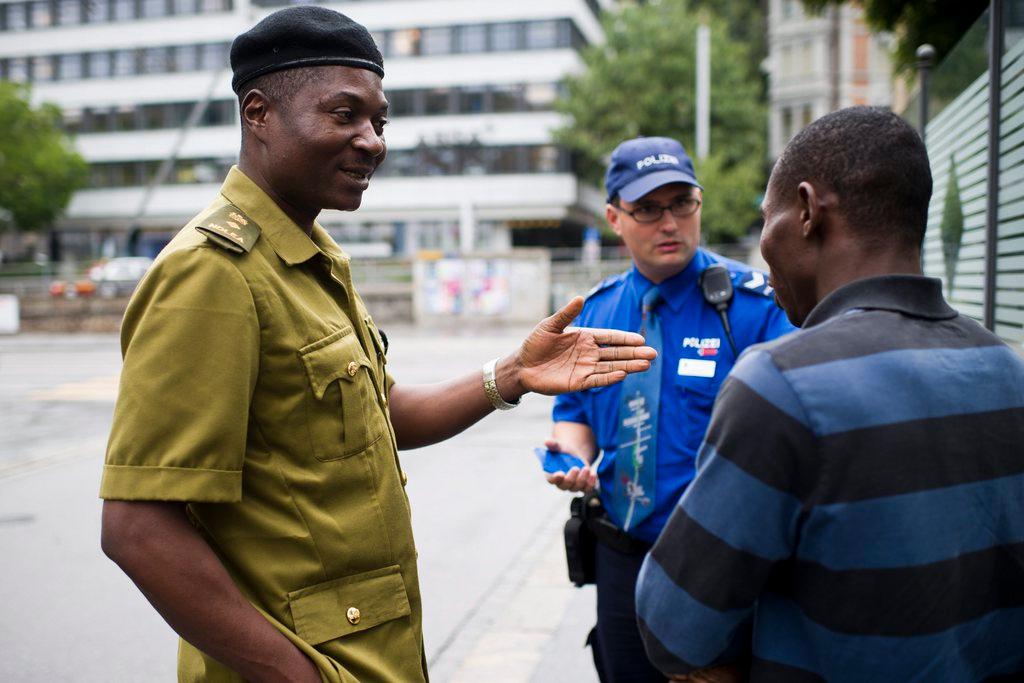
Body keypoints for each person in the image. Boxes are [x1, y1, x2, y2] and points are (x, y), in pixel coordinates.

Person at [97, 7, 656, 682]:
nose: (373, 141)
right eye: (344, 115)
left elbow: (379, 415)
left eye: (379, 121)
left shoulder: (313, 258)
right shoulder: (213, 272)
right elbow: (139, 529)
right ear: (258, 113)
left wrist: (509, 374)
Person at [635, 106, 1024, 681]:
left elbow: (674, 628)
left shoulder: (783, 384)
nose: (763, 265)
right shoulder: (1005, 370)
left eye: (769, 219)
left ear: (809, 211)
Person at [546, 136, 794, 681]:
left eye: (682, 203)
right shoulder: (595, 313)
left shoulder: (753, 306)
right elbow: (574, 414)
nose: (669, 223)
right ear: (614, 217)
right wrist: (571, 459)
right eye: (649, 208)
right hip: (622, 554)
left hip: (723, 562)